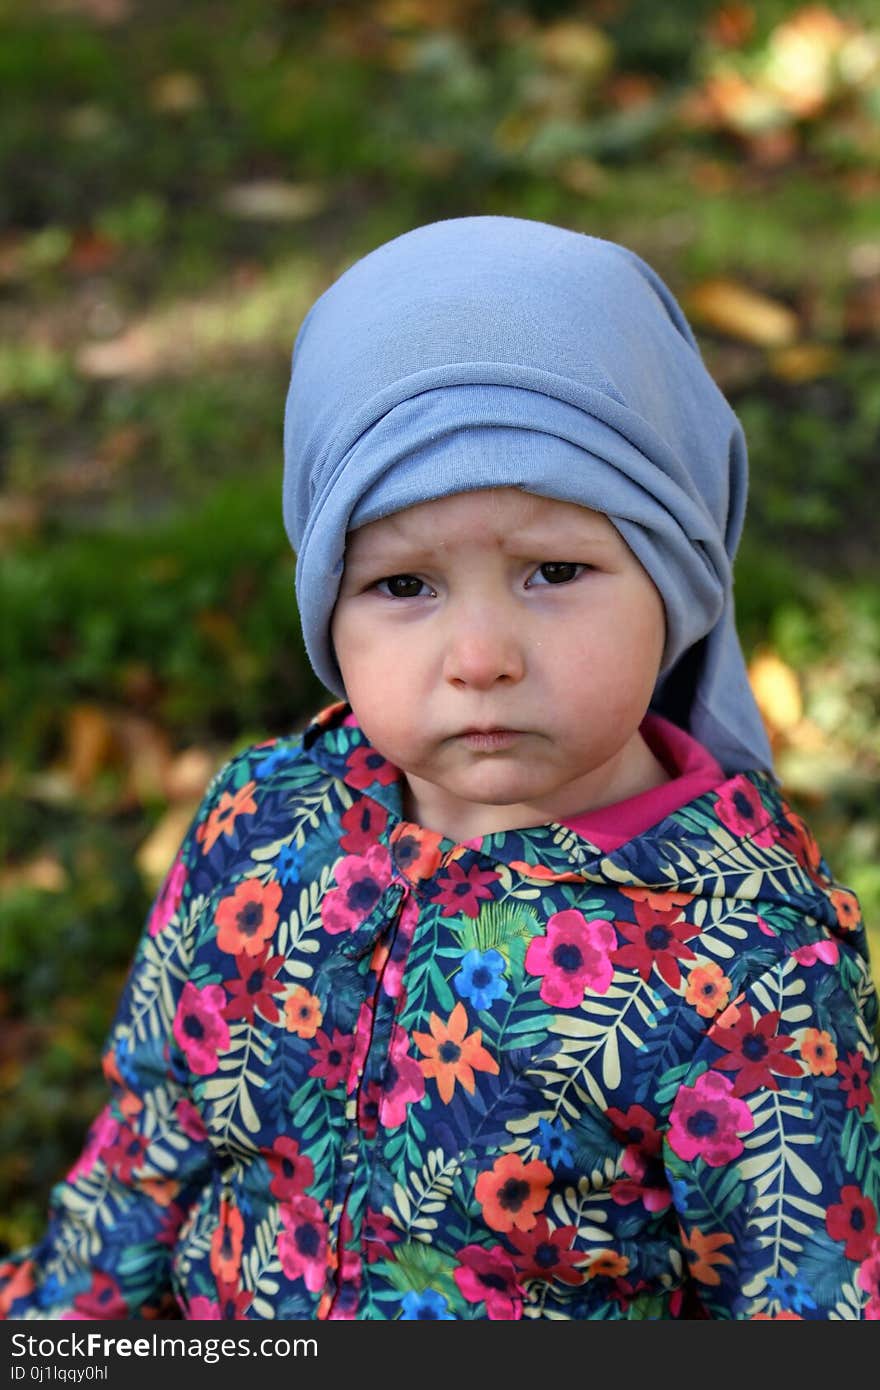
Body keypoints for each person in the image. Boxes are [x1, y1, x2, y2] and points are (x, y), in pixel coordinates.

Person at [2, 215, 878, 1322]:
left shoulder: (744, 955)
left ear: (678, 571)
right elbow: (150, 1151)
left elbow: (804, 1303)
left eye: (552, 569)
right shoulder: (264, 830)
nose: (479, 659)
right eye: (404, 586)